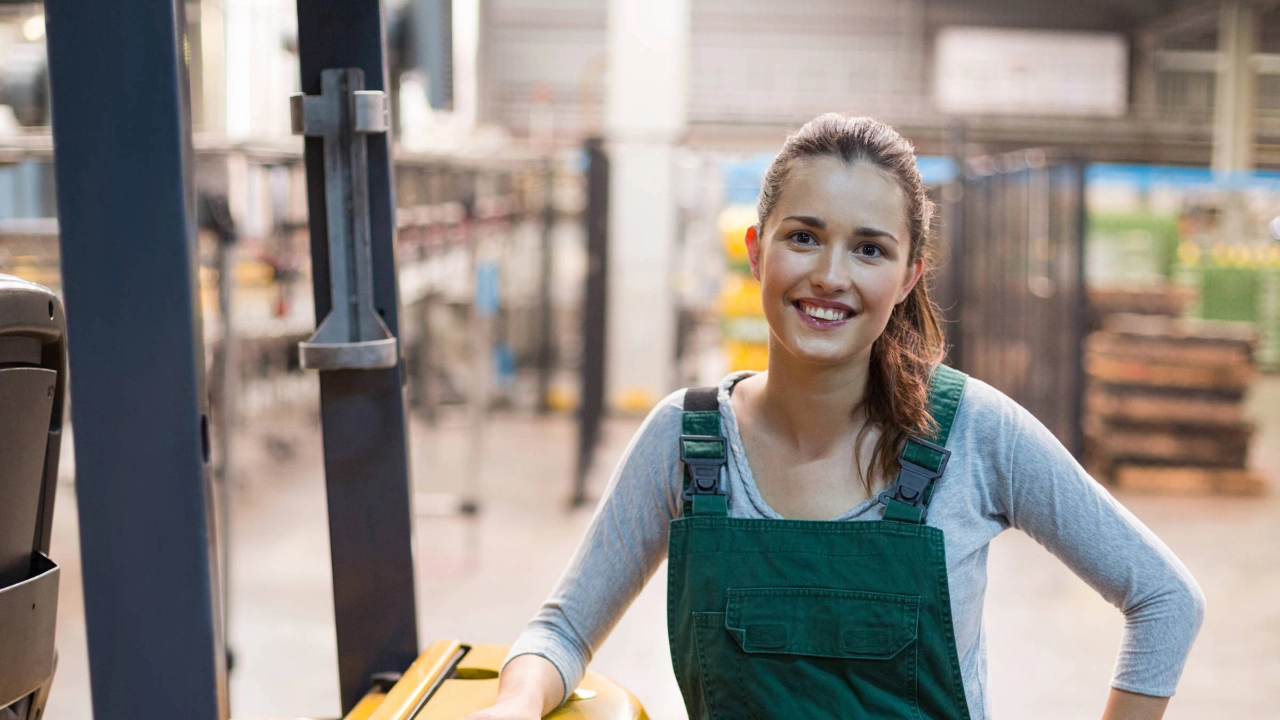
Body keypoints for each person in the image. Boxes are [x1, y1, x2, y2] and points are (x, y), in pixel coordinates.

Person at [464, 114, 1205, 720]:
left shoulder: (974, 435)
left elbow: (1166, 600)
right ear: (757, 252)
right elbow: (561, 631)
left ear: (909, 274)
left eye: (869, 249)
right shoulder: (688, 442)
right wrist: (515, 704)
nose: (830, 275)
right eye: (804, 236)